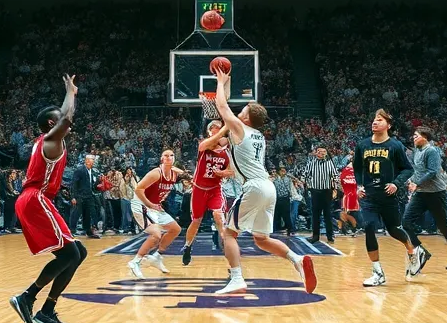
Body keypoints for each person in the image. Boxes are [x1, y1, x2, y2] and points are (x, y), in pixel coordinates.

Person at [209, 67, 316, 296]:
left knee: (229, 233)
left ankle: (237, 279)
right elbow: (227, 112)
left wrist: (219, 82)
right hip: (269, 188)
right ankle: (296, 259)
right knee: (262, 239)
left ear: (246, 118)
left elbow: (222, 107)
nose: (240, 111)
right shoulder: (257, 135)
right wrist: (226, 85)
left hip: (255, 186)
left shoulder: (240, 128)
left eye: (244, 109)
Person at [9, 75, 88, 323]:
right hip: (35, 199)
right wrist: (71, 92)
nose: (68, 120)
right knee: (70, 253)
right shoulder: (51, 140)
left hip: (37, 199)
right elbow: (67, 116)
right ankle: (28, 297)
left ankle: (47, 309)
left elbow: (63, 118)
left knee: (77, 253)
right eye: (61, 117)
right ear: (52, 123)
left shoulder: (49, 142)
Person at [356, 109, 424, 287]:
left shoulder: (395, 146)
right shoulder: (362, 145)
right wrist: (359, 185)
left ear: (389, 125)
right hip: (369, 196)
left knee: (394, 230)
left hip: (388, 195)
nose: (375, 122)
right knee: (369, 226)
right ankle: (377, 271)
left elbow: (407, 169)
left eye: (379, 120)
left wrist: (396, 183)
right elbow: (357, 167)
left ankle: (413, 251)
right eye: (374, 119)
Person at [403, 126, 447, 270]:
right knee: (406, 221)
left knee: (444, 227)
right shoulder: (417, 152)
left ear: (425, 137)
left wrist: (416, 183)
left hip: (436, 194)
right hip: (421, 193)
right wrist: (411, 181)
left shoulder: (431, 151)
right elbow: (418, 171)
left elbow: (432, 172)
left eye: (416, 135)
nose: (413, 138)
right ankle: (421, 252)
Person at [128, 150, 184, 279]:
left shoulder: (174, 174)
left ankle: (157, 256)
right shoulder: (155, 173)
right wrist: (149, 204)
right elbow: (138, 189)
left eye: (171, 155)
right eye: (166, 155)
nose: (169, 157)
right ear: (161, 158)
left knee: (175, 229)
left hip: (155, 206)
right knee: (156, 234)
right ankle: (135, 262)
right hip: (141, 204)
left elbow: (181, 173)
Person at [182, 122, 231, 266]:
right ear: (210, 131)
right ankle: (188, 246)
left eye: (219, 128)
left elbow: (231, 170)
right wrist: (222, 132)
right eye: (214, 129)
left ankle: (226, 246)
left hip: (215, 189)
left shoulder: (226, 152)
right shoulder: (205, 145)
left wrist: (222, 173)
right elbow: (205, 145)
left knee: (218, 215)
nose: (218, 130)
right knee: (196, 220)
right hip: (199, 189)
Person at [304, 146, 338, 245]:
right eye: (319, 151)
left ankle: (330, 237)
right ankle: (315, 237)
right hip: (315, 191)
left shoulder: (329, 163)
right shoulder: (311, 163)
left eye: (324, 151)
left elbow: (335, 176)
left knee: (328, 214)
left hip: (327, 191)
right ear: (316, 152)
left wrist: (335, 189)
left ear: (326, 153)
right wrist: (308, 186)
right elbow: (305, 175)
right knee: (315, 215)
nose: (322, 153)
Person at [337, 161, 360, 235]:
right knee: (343, 213)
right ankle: (342, 230)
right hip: (351, 195)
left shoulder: (346, 173)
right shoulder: (354, 173)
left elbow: (340, 187)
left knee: (344, 213)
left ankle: (353, 229)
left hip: (348, 196)